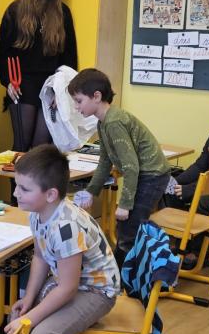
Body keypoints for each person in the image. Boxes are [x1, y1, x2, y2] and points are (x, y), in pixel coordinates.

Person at [8, 144, 120, 334]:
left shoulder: (65, 225)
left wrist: (31, 318)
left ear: (51, 194)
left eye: (24, 188)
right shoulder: (38, 213)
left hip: (97, 291)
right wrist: (28, 300)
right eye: (17, 185)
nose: (16, 193)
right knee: (21, 316)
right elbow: (40, 257)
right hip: (71, 283)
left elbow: (69, 288)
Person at [69, 68, 170, 256]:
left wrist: (124, 204)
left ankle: (124, 273)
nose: (76, 107)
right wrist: (91, 190)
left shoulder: (113, 122)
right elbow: (105, 160)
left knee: (128, 230)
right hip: (149, 174)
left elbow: (131, 167)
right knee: (130, 227)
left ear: (96, 96)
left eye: (79, 101)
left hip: (152, 175)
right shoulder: (103, 122)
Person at [0, 0, 77, 151]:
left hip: (50, 86)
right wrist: (8, 82)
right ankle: (18, 174)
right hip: (22, 85)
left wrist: (63, 89)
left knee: (41, 147)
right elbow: (4, 53)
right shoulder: (15, 10)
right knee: (21, 146)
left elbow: (69, 57)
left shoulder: (62, 13)